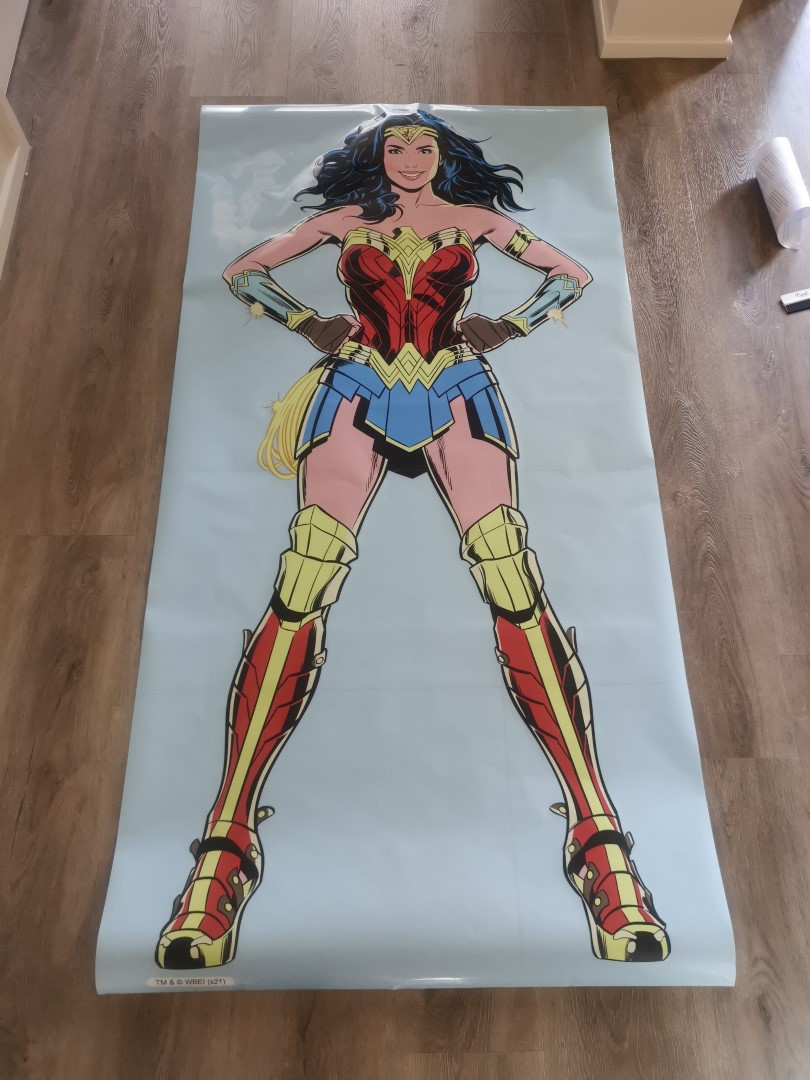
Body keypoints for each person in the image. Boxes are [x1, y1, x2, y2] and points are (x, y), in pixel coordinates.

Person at [156, 111, 670, 969]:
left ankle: (600, 840)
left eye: (422, 146)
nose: (407, 158)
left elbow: (572, 274)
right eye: (394, 146)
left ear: (442, 155)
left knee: (511, 577)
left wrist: (511, 326)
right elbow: (243, 270)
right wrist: (307, 324)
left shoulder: (473, 221)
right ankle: (224, 848)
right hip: (358, 385)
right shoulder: (345, 223)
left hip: (454, 385)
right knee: (303, 581)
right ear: (377, 155)